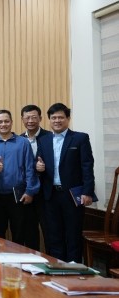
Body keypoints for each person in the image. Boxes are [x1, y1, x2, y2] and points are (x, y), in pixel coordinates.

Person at [36, 103, 96, 262]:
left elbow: (87, 166)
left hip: (72, 195)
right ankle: (57, 268)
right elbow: (38, 162)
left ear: (68, 118)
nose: (57, 120)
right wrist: (38, 167)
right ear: (49, 120)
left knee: (73, 234)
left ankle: (74, 269)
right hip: (50, 195)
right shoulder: (43, 140)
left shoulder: (80, 138)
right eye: (53, 118)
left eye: (61, 117)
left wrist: (88, 192)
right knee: (54, 235)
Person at [0, 110, 40, 249]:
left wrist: (30, 191)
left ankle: (18, 259)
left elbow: (29, 168)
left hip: (18, 195)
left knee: (19, 232)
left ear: (11, 122)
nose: (3, 124)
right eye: (0, 122)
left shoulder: (23, 142)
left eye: (6, 121)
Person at [20, 104, 51, 251]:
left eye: (34, 117)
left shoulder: (50, 137)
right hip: (27, 191)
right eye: (27, 118)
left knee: (49, 229)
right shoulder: (19, 139)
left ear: (40, 118)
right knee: (29, 230)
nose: (30, 121)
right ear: (22, 119)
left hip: (46, 191)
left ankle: (52, 259)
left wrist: (45, 167)